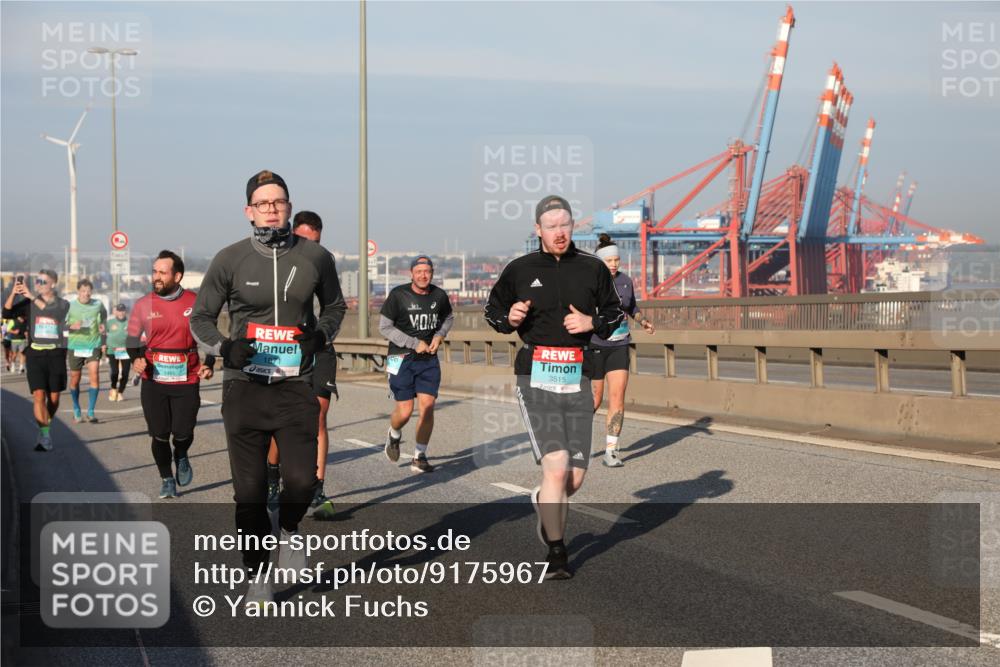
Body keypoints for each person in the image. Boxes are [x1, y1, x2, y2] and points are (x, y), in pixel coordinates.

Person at [190, 170, 346, 604]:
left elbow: (334, 306)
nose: (272, 209)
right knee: (250, 492)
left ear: (289, 207)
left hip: (296, 385)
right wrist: (225, 348)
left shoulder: (316, 257)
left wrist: (322, 335)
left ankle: (291, 527)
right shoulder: (229, 258)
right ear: (248, 211)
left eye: (279, 201)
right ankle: (258, 573)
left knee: (300, 482)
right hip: (245, 388)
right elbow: (199, 318)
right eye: (263, 203)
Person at [484, 195, 624, 579]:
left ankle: (541, 498)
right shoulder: (520, 269)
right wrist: (508, 317)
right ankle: (557, 552)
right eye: (551, 226)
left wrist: (592, 324)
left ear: (573, 225)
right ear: (538, 230)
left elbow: (615, 313)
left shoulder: (592, 269)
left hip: (579, 375)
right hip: (536, 376)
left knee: (573, 479)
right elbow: (492, 310)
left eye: (564, 225)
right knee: (557, 465)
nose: (559, 233)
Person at [266, 210, 338, 520]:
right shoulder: (275, 260)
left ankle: (317, 489)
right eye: (308, 241)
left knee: (318, 416)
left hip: (318, 347)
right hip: (282, 347)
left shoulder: (324, 261)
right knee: (280, 418)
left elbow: (334, 306)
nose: (313, 248)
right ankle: (271, 480)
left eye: (318, 242)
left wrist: (323, 333)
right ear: (293, 234)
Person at [127, 251, 215, 499]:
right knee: (159, 434)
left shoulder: (194, 302)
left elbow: (208, 336)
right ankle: (166, 478)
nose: (156, 277)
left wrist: (208, 362)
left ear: (177, 276)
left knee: (184, 432)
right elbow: (132, 339)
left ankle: (182, 453)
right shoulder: (143, 304)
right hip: (154, 380)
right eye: (154, 271)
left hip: (186, 379)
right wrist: (136, 357)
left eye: (162, 272)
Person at [380, 255, 454, 473]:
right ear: (411, 273)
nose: (424, 275)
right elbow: (384, 327)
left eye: (428, 271)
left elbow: (448, 318)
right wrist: (413, 343)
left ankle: (419, 456)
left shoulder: (439, 295)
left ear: (432, 273)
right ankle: (394, 434)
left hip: (428, 360)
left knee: (428, 407)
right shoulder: (398, 295)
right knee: (404, 411)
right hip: (400, 358)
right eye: (419, 271)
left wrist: (439, 336)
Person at [590, 233, 656, 467]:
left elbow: (631, 306)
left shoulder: (626, 281)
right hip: (595, 345)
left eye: (617, 260)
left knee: (617, 397)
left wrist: (643, 320)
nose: (614, 264)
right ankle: (577, 437)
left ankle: (610, 451)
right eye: (609, 261)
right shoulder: (591, 282)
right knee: (595, 400)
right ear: (600, 262)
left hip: (620, 344)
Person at [2, 270, 71, 451]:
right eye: (37, 281)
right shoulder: (29, 303)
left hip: (55, 355)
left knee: (54, 399)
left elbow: (51, 312)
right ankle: (45, 434)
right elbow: (7, 313)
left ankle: (45, 425)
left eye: (43, 281)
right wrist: (14, 293)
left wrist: (31, 295)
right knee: (39, 395)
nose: (39, 283)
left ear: (53, 284)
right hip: (35, 355)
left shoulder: (62, 303)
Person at [66, 278, 108, 423]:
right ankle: (76, 408)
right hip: (75, 346)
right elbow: (62, 324)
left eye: (88, 291)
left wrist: (102, 324)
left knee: (94, 375)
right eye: (83, 291)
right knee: (75, 380)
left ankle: (90, 411)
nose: (86, 294)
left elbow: (104, 315)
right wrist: (72, 326)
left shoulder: (98, 304)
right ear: (78, 291)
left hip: (93, 345)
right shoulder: (70, 306)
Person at [106, 303, 131, 401]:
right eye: (119, 310)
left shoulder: (130, 322)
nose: (121, 313)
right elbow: (103, 332)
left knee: (125, 373)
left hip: (126, 351)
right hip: (112, 350)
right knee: (115, 371)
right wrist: (103, 345)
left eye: (123, 310)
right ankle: (113, 388)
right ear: (115, 311)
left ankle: (120, 392)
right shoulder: (110, 322)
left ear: (125, 311)